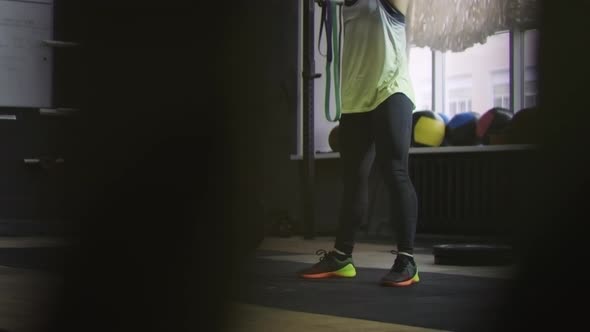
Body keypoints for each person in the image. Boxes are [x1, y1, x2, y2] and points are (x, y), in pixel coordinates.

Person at [298, 0, 419, 287]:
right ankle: (342, 257)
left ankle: (407, 260)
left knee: (395, 172)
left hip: (390, 91)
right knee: (353, 180)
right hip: (354, 100)